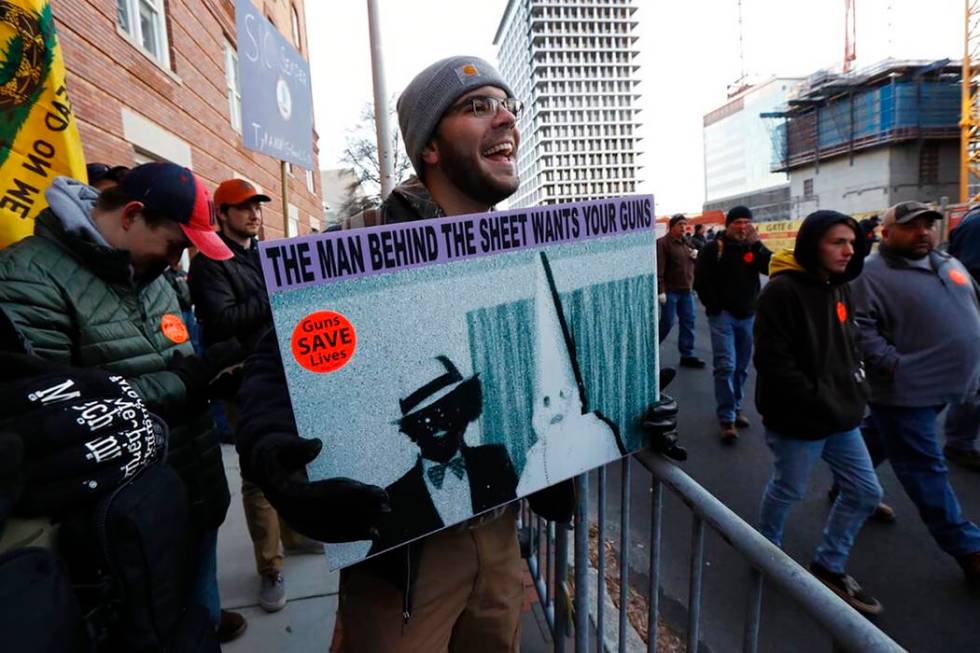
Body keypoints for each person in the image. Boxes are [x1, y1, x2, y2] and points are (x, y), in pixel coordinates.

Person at [236, 56, 680, 652]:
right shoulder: (355, 248)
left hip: (497, 538)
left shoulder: (523, 254)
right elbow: (270, 374)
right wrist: (279, 467)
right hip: (398, 562)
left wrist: (633, 409)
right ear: (431, 147)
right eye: (477, 107)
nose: (505, 119)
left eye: (508, 106)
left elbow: (559, 397)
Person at [0, 163, 248, 641]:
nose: (178, 262)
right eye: (176, 245)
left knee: (198, 621)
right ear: (133, 215)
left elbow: (173, 362)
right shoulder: (28, 279)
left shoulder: (155, 275)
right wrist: (187, 383)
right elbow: (60, 410)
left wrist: (216, 379)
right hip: (116, 534)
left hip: (190, 489)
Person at [188, 178, 317, 613]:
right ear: (221, 215)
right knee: (259, 473)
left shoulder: (265, 255)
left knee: (293, 458)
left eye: (257, 207)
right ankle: (270, 567)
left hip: (282, 371)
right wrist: (275, 296)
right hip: (242, 380)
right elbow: (221, 322)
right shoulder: (208, 262)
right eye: (242, 208)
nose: (254, 214)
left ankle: (297, 534)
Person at [754, 210, 883, 615]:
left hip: (841, 416)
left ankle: (829, 564)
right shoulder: (782, 292)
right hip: (799, 420)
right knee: (788, 488)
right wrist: (815, 398)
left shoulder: (840, 287)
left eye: (852, 242)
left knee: (865, 492)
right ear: (813, 244)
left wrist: (857, 386)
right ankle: (764, 549)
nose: (848, 250)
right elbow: (774, 362)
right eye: (837, 242)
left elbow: (848, 342)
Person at [851, 201, 980, 586]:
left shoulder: (947, 263)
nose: (923, 232)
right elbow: (859, 329)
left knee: (879, 435)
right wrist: (893, 364)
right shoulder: (868, 274)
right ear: (885, 234)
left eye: (928, 225)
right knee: (924, 466)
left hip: (953, 381)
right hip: (905, 390)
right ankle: (968, 548)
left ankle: (850, 477)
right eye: (910, 226)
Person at [693, 205, 772, 443]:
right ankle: (726, 418)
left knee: (741, 366)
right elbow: (701, 281)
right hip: (722, 316)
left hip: (747, 316)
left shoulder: (753, 249)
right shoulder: (712, 249)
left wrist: (757, 245)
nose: (742, 227)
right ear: (728, 225)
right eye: (737, 222)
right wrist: (714, 306)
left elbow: (771, 267)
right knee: (725, 365)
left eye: (747, 222)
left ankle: (736, 407)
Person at [944, 206, 980, 470]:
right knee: (973, 385)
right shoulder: (977, 225)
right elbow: (968, 272)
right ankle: (959, 443)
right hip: (973, 315)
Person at [657, 214, 705, 369]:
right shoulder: (663, 243)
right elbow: (660, 268)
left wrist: (696, 256)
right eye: (680, 224)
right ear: (672, 226)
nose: (684, 227)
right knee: (667, 322)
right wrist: (660, 290)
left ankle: (687, 354)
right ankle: (651, 349)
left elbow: (695, 264)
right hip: (670, 291)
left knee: (688, 321)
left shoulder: (687, 243)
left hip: (686, 290)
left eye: (685, 224)